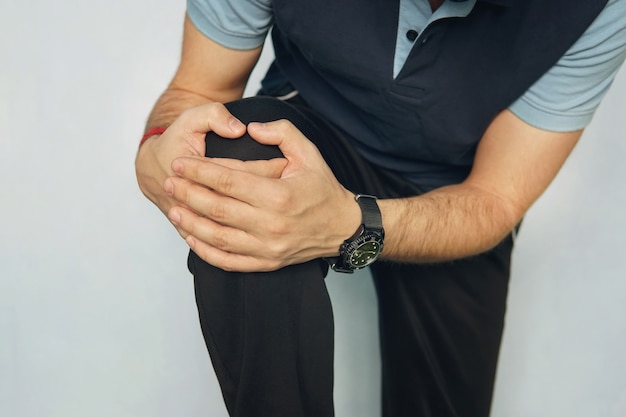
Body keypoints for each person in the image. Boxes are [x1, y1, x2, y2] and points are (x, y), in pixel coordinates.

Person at [135, 0, 626, 416]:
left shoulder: (600, 8)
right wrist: (158, 149)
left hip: (454, 190)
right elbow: (198, 91)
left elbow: (495, 197)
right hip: (309, 126)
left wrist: (351, 224)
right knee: (241, 172)